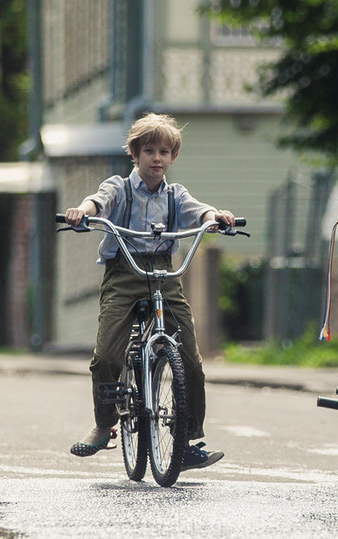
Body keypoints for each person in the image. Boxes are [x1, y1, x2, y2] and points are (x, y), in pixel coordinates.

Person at [62, 113, 236, 470]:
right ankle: (103, 424)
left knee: (190, 358)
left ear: (173, 158)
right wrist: (83, 211)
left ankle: (188, 440)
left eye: (165, 152)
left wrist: (215, 217)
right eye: (149, 151)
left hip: (163, 273)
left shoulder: (175, 195)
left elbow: (198, 211)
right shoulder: (120, 187)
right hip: (124, 272)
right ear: (135, 154)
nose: (157, 158)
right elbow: (99, 201)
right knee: (107, 355)